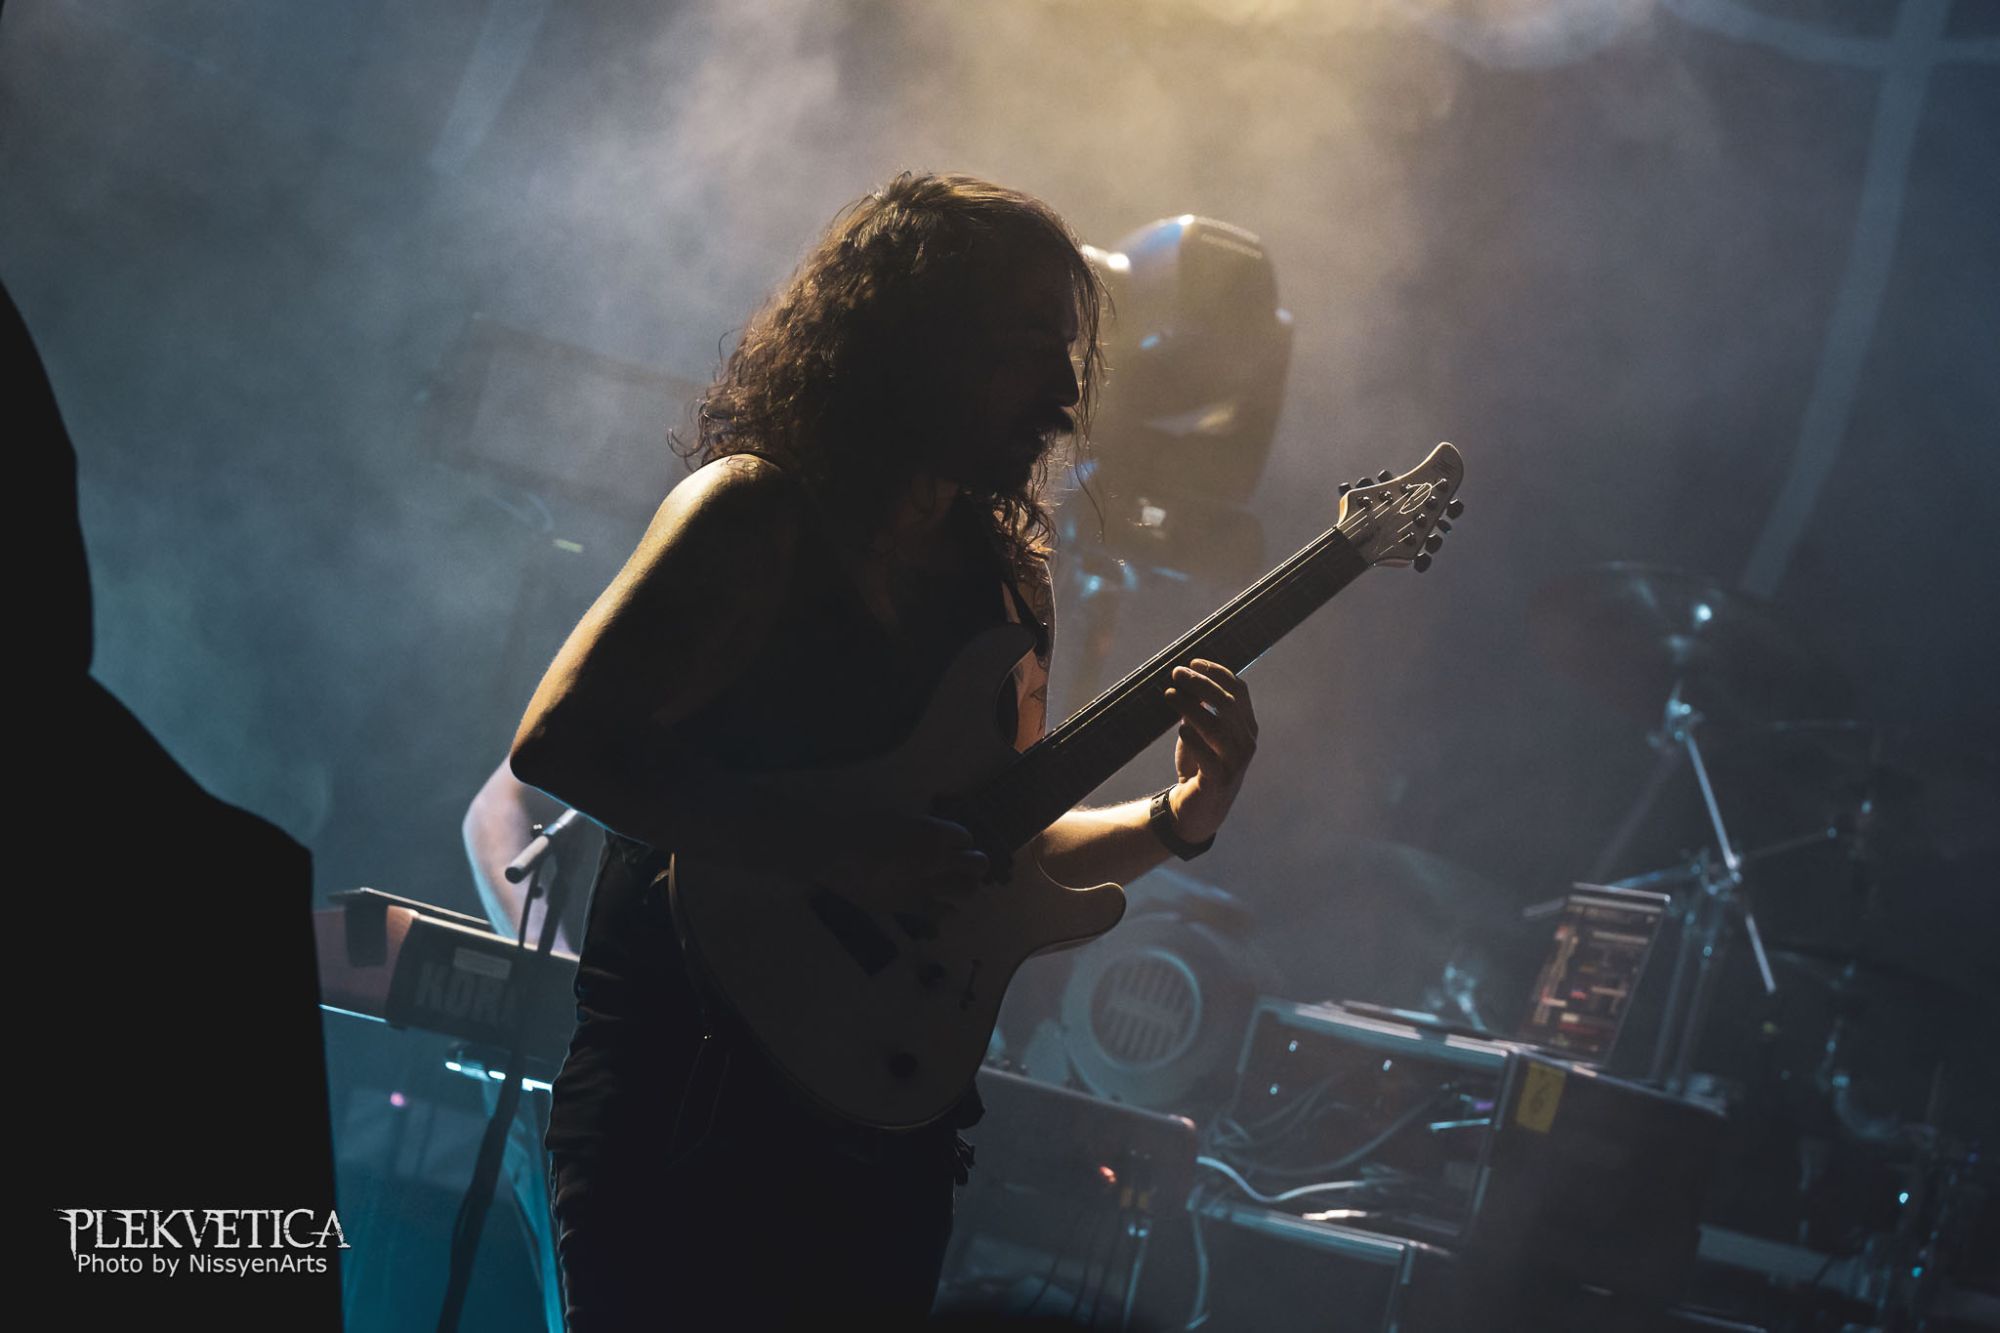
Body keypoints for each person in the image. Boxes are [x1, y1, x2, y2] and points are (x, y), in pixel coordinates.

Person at [507, 173, 1261, 1330]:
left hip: (880, 1136)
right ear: (918, 337)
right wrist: (833, 850)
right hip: (688, 1096)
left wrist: (1179, 818)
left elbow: (991, 846)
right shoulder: (752, 516)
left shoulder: (1008, 584)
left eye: (1066, 355)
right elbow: (559, 743)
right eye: (1026, 347)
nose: (1063, 394)